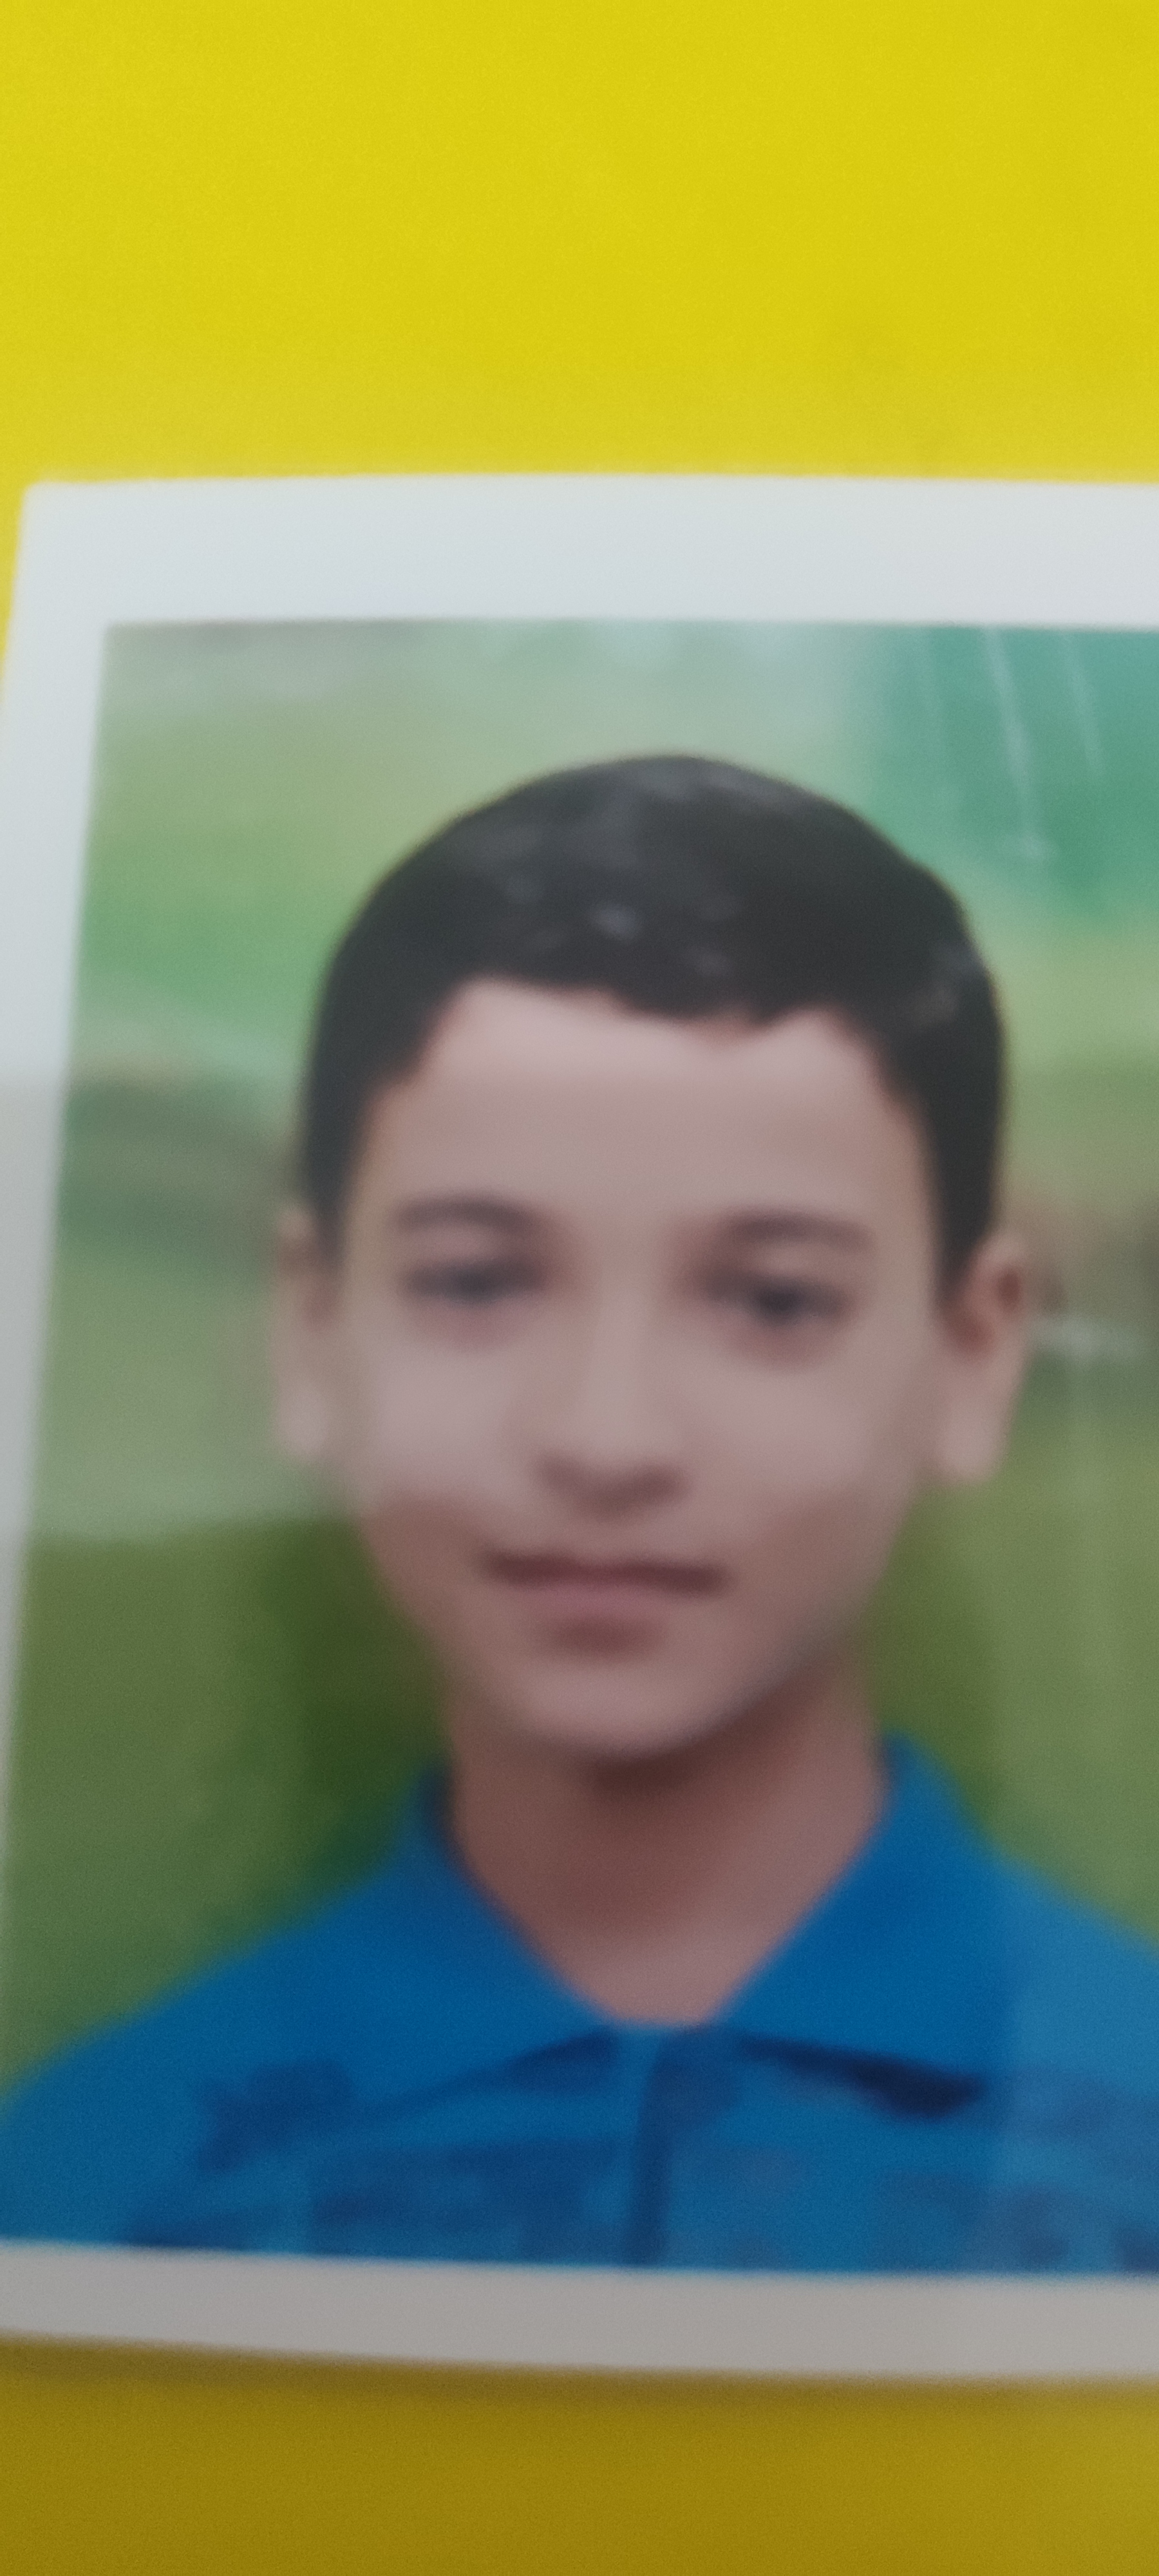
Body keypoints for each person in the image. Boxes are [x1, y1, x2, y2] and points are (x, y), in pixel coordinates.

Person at [3, 753, 1159, 2275]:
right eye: (477, 1279)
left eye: (774, 1299)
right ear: (310, 1326)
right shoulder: (80, 2176)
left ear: (973, 1351)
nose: (606, 1437)